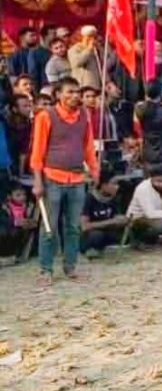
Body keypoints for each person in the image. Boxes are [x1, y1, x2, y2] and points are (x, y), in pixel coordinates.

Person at [30, 77, 99, 285]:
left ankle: (70, 267)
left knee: (72, 227)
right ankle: (45, 269)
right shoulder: (46, 116)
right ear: (58, 94)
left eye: (77, 92)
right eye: (69, 92)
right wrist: (38, 181)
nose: (74, 96)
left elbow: (88, 146)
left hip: (77, 178)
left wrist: (94, 170)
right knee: (49, 227)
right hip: (52, 177)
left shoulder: (84, 115)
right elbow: (37, 151)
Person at [126, 164, 162, 248]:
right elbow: (149, 213)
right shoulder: (143, 188)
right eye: (158, 181)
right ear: (151, 178)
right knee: (161, 223)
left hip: (159, 213)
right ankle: (139, 239)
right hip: (139, 219)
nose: (161, 184)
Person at [80, 172, 130, 257]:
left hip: (108, 230)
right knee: (96, 235)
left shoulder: (112, 198)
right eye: (113, 184)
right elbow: (84, 226)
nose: (116, 187)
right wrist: (111, 222)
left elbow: (115, 216)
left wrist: (123, 220)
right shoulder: (89, 199)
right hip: (91, 233)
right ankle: (91, 250)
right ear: (103, 185)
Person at [67, 25, 102, 89]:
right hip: (82, 85)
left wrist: (107, 81)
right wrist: (89, 49)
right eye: (89, 36)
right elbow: (77, 62)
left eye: (94, 37)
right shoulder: (74, 49)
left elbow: (101, 66)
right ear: (81, 37)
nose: (92, 39)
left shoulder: (96, 50)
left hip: (96, 84)